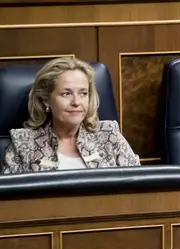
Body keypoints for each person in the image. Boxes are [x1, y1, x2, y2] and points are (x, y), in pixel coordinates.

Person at [1, 57, 140, 174]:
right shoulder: (23, 143)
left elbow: (138, 187)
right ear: (45, 99)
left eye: (83, 93)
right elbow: (10, 201)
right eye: (66, 93)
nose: (76, 102)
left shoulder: (109, 134)